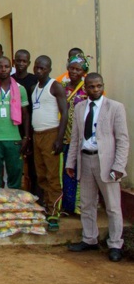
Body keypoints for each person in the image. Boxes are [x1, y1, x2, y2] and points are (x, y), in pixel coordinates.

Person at [66, 73, 129, 262]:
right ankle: (89, 238)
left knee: (112, 206)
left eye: (98, 86)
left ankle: (116, 244)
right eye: (91, 87)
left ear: (103, 86)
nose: (95, 90)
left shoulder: (115, 108)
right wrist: (70, 163)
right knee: (86, 203)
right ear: (85, 88)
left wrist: (119, 165)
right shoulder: (79, 108)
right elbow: (75, 138)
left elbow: (122, 139)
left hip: (107, 162)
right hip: (85, 159)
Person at [0, 56, 30, 190]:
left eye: (6, 66)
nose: (3, 69)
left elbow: (25, 114)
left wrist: (26, 137)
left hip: (14, 139)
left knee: (15, 176)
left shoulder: (20, 89)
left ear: (11, 68)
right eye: (0, 67)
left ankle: (12, 207)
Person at [31, 55, 67, 231]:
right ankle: (47, 206)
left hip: (51, 134)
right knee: (42, 174)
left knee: (53, 176)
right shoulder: (34, 87)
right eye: (36, 67)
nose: (39, 71)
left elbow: (65, 113)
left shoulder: (55, 86)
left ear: (49, 69)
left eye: (42, 68)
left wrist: (59, 139)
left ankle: (55, 213)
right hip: (37, 135)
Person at [61, 54, 90, 215]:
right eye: (72, 68)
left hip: (82, 139)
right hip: (65, 138)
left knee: (83, 174)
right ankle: (68, 206)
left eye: (78, 69)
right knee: (67, 172)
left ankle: (81, 206)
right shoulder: (62, 87)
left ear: (83, 72)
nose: (74, 72)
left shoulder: (88, 89)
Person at [12, 49, 40, 196]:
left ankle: (34, 195)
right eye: (18, 60)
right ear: (13, 61)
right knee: (15, 165)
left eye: (24, 61)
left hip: (32, 126)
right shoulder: (8, 79)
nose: (21, 64)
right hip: (14, 127)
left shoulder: (34, 80)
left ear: (29, 63)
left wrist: (28, 134)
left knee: (34, 166)